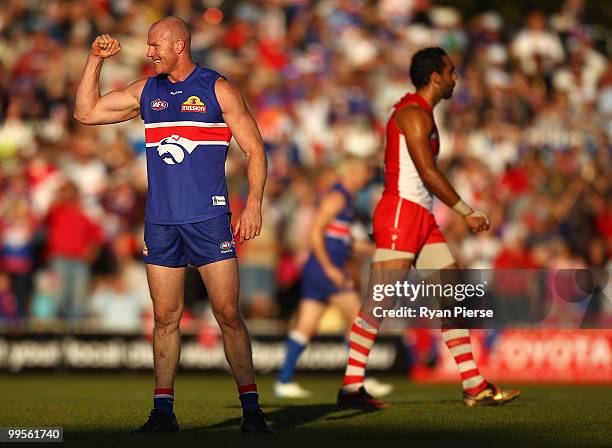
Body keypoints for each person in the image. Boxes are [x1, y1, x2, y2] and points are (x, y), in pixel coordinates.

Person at [74, 16, 274, 433]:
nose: (149, 52)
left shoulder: (217, 88)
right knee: (166, 317)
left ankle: (252, 411)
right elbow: (86, 112)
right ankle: (163, 412)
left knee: (227, 313)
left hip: (210, 220)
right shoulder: (148, 91)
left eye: (155, 46)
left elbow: (255, 151)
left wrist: (253, 203)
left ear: (178, 45)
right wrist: (94, 60)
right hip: (161, 223)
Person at [336, 47, 521, 408]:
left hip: (420, 215)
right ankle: (350, 387)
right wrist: (466, 211)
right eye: (451, 72)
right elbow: (427, 171)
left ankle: (473, 384)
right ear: (435, 77)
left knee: (452, 296)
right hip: (402, 212)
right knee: (381, 301)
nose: (455, 78)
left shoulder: (419, 113)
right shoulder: (413, 114)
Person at [274, 156, 391, 398]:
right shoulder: (337, 197)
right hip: (325, 270)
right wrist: (329, 268)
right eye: (363, 171)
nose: (366, 176)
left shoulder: (346, 199)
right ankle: (359, 380)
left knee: (305, 327)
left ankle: (284, 381)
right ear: (350, 172)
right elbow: (315, 231)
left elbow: (345, 240)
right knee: (361, 320)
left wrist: (377, 250)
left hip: (319, 270)